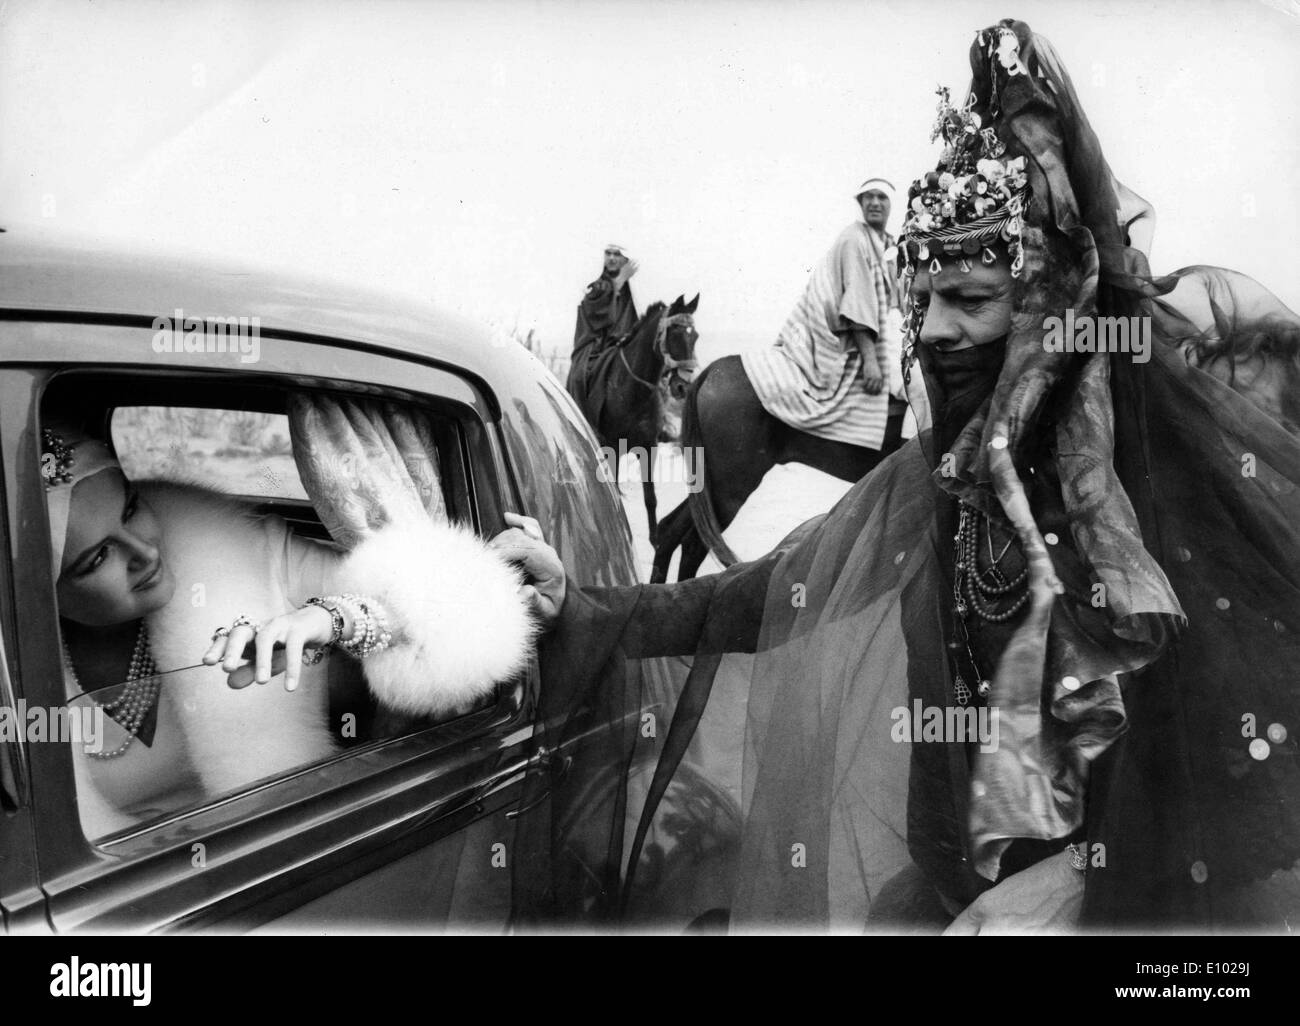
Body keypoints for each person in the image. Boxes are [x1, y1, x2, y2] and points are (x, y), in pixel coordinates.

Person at [503, 20, 1300, 933]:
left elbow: (1253, 763)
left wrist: (1078, 880)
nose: (939, 334)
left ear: (1044, 307)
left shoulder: (1139, 496)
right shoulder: (936, 482)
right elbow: (768, 596)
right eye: (923, 303)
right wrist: (585, 606)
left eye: (971, 300)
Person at [43, 419, 538, 838]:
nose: (145, 552)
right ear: (42, 589)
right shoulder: (17, 667)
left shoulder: (245, 552)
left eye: (131, 508)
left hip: (276, 863)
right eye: (99, 557)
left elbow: (444, 611)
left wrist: (335, 618)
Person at [741, 176, 915, 450]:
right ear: (860, 202)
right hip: (853, 338)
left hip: (892, 330)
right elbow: (857, 302)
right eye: (867, 196)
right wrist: (871, 361)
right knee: (917, 387)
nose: (874, 202)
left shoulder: (886, 242)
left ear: (891, 203)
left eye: (881, 197)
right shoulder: (854, 239)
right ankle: (914, 456)